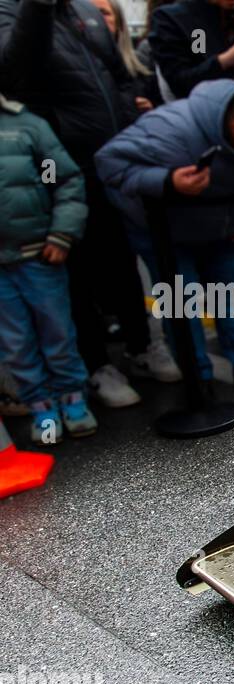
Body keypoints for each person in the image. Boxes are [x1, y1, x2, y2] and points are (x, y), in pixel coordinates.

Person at [0, 0, 183, 409]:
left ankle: (141, 347)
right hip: (60, 164)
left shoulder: (83, 9)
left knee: (121, 261)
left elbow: (116, 72)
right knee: (77, 271)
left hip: (112, 161)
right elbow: (15, 75)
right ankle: (97, 365)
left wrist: (131, 102)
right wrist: (38, 9)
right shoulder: (14, 11)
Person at [95, 80, 234, 391]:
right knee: (181, 302)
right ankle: (197, 378)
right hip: (164, 233)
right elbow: (108, 163)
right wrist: (167, 180)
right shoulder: (168, 130)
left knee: (233, 297)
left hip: (223, 229)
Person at [0, 94, 96, 444]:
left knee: (57, 332)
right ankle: (40, 407)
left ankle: (73, 398)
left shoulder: (25, 126)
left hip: (38, 253)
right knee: (14, 343)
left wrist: (61, 233)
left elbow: (65, 179)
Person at [91, 0, 162, 110]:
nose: (95, 18)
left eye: (104, 13)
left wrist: (152, 109)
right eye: (89, 13)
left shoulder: (142, 69)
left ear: (119, 25)